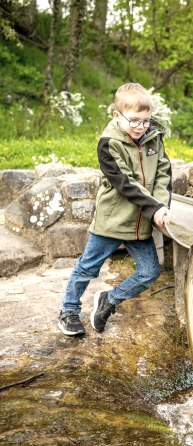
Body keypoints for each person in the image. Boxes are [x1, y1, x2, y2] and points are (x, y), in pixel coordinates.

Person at [57, 83, 172, 336]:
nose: (141, 127)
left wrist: (161, 206)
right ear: (117, 116)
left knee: (149, 272)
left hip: (141, 221)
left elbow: (163, 173)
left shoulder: (153, 137)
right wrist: (155, 208)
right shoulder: (108, 144)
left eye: (146, 121)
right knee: (87, 267)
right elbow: (125, 183)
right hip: (113, 220)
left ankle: (109, 299)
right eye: (134, 121)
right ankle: (68, 310)